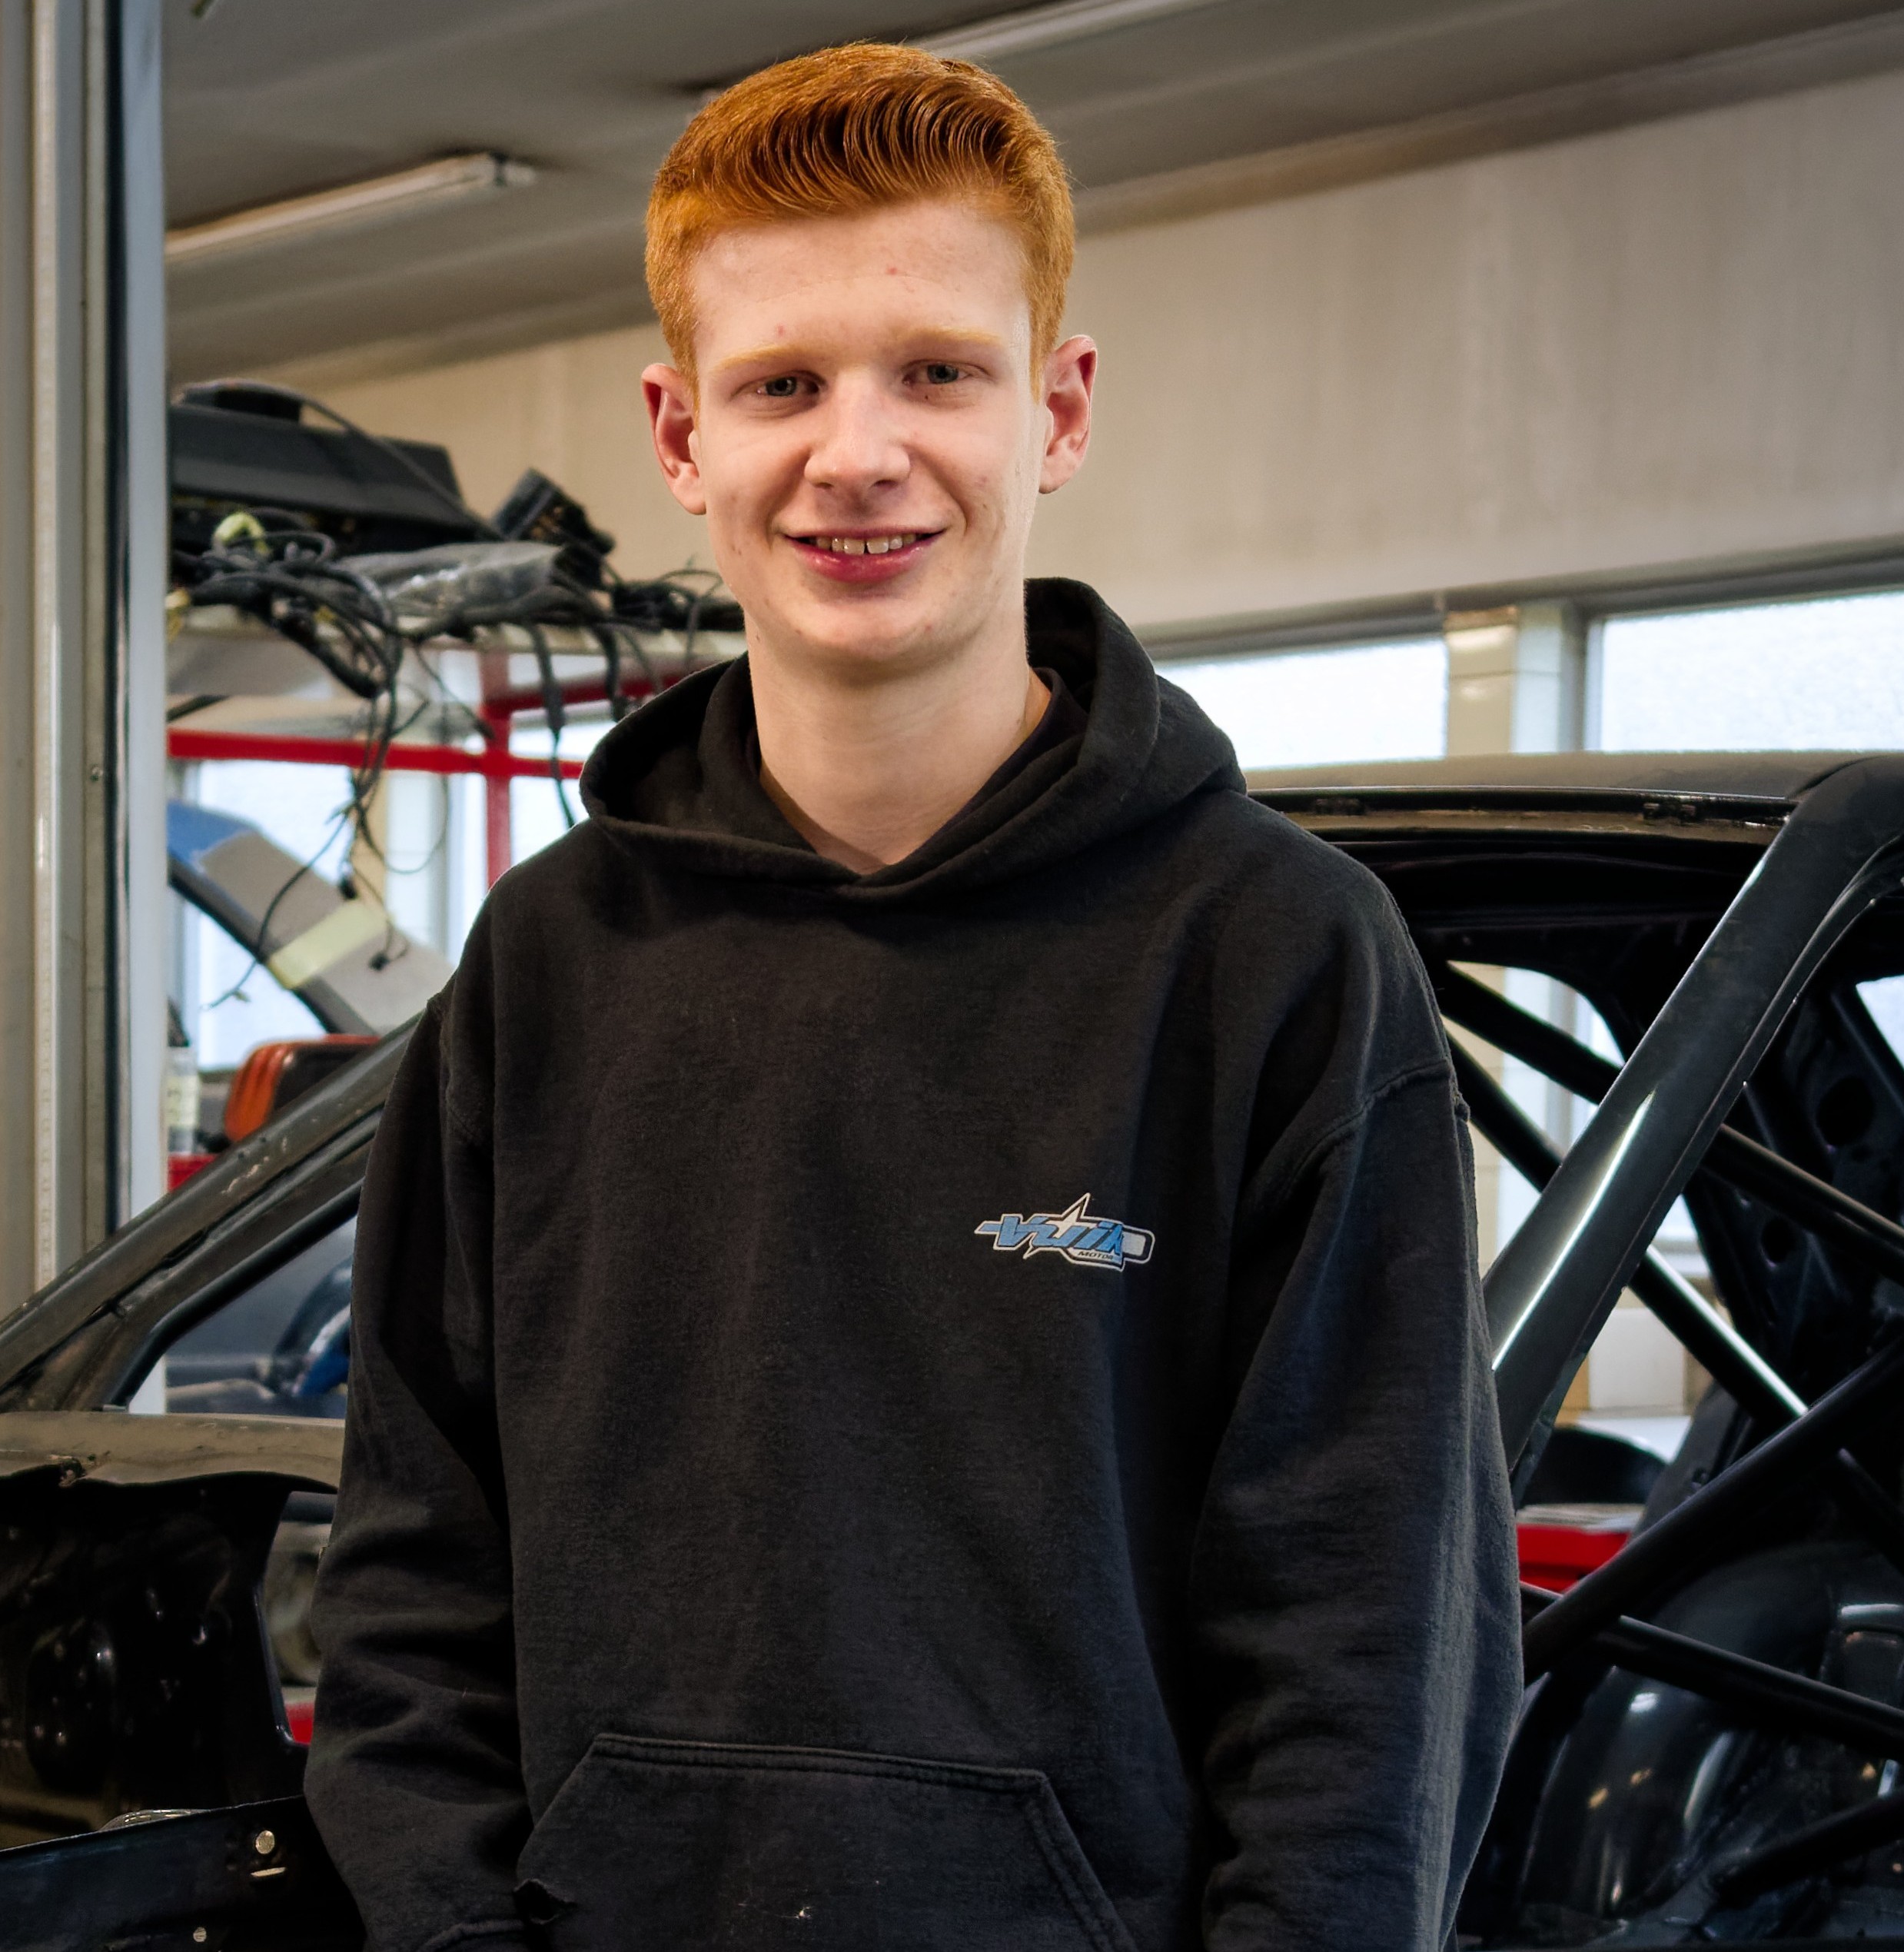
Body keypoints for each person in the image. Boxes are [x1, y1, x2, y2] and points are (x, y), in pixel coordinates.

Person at [304, 41, 1518, 1952]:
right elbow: (412, 1590)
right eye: (780, 381)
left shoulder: (1274, 961)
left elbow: (1366, 1659)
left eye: (939, 370)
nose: (856, 453)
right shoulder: (540, 973)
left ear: (1059, 407)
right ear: (681, 431)